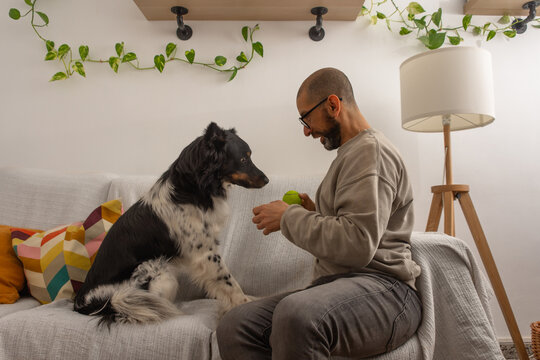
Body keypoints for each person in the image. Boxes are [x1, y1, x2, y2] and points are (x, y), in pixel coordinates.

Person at [216, 67, 422, 359]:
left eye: (306, 117)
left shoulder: (370, 152)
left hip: (386, 292)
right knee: (236, 324)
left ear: (333, 105)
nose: (306, 130)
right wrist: (314, 212)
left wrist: (289, 217)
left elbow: (357, 245)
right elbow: (352, 224)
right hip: (337, 288)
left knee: (297, 313)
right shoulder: (351, 154)